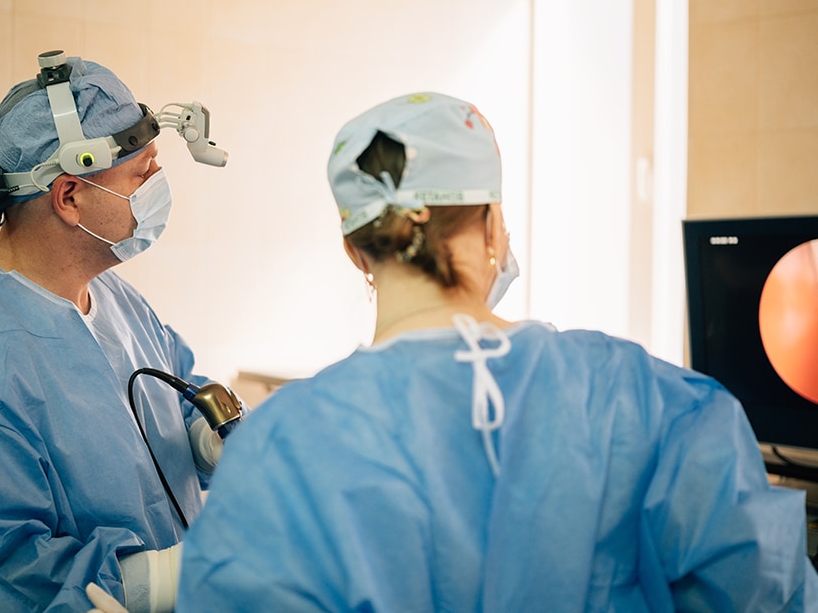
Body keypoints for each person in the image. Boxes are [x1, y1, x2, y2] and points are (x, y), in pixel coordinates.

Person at [165, 92, 817, 611]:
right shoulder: (649, 403)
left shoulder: (287, 444)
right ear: (493, 226)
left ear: (354, 250)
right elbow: (763, 587)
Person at [0, 51, 234, 611]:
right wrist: (173, 577)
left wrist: (207, 439)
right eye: (141, 171)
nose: (158, 182)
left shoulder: (109, 297)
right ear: (70, 197)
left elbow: (172, 388)